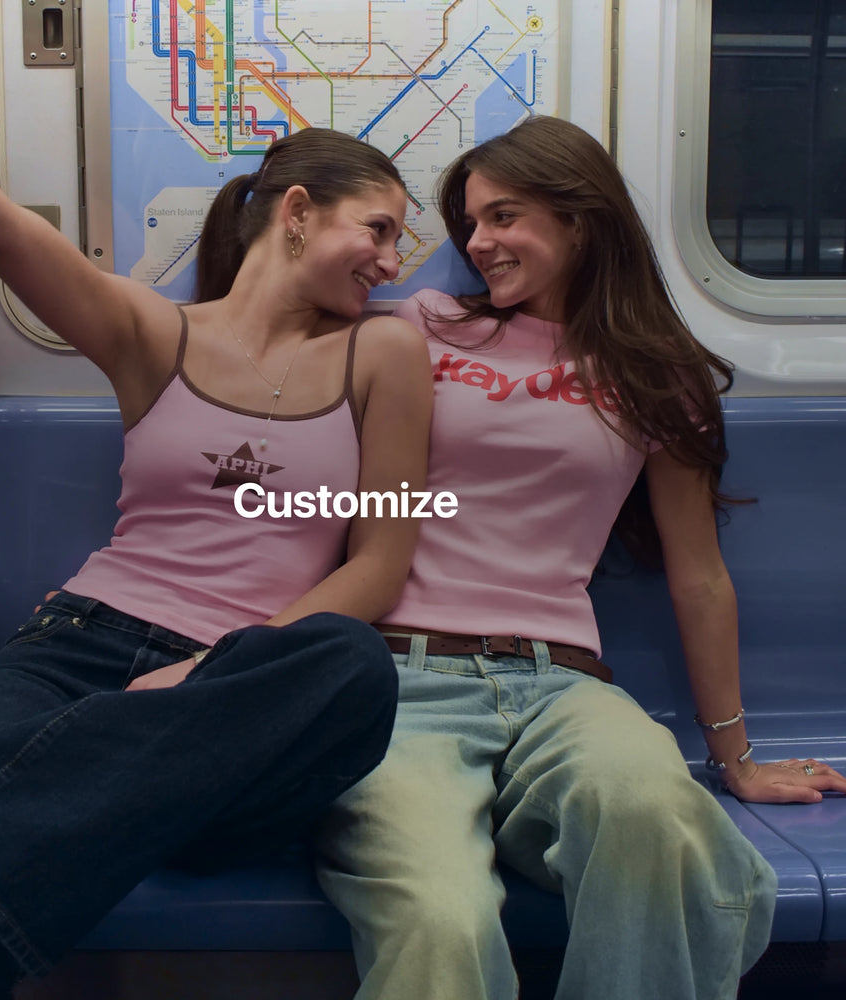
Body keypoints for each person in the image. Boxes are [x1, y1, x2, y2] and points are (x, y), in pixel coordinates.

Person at [0, 4, 433, 996]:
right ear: (295, 211)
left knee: (351, 664)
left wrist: (213, 669)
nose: (392, 261)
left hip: (238, 701)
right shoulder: (152, 331)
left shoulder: (384, 349)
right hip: (73, 653)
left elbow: (378, 566)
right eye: (377, 228)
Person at [315, 115, 846, 1000]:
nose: (479, 243)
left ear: (581, 220)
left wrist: (737, 757)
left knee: (659, 824)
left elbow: (699, 573)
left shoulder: (652, 372)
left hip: (560, 683)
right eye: (471, 223)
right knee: (439, 918)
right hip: (394, 680)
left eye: (504, 217)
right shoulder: (417, 325)